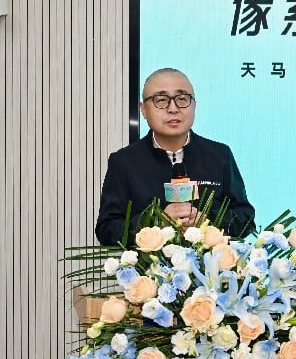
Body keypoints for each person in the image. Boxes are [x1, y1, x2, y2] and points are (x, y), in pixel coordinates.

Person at [95, 68, 255, 245]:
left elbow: (246, 219)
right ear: (143, 109)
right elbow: (106, 229)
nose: (173, 109)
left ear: (194, 105)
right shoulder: (123, 161)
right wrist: (157, 222)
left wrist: (207, 221)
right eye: (161, 100)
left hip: (208, 263)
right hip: (147, 264)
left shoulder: (219, 155)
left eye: (182, 99)